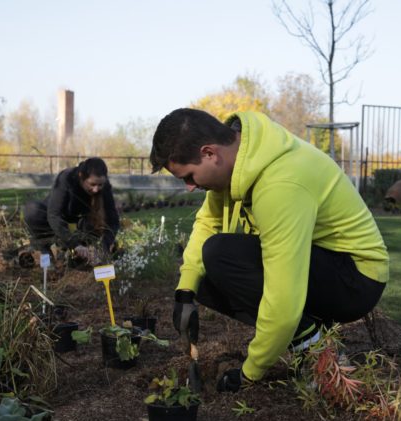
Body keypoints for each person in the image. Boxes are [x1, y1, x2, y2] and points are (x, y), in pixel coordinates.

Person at [150, 109, 388, 392]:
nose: (190, 187)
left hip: (356, 278)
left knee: (219, 254)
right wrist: (185, 292)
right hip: (322, 263)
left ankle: (314, 347)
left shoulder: (280, 184)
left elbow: (283, 299)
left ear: (210, 153)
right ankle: (311, 333)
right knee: (205, 272)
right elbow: (208, 221)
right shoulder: (244, 158)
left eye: (189, 176)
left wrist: (250, 373)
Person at [24, 157, 120, 263]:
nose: (96, 189)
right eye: (92, 184)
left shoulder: (104, 186)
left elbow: (113, 222)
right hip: (57, 222)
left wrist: (104, 247)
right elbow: (54, 215)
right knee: (32, 210)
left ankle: (81, 254)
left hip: (81, 225)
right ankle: (44, 249)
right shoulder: (66, 178)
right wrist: (74, 244)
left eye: (100, 185)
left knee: (95, 223)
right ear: (81, 177)